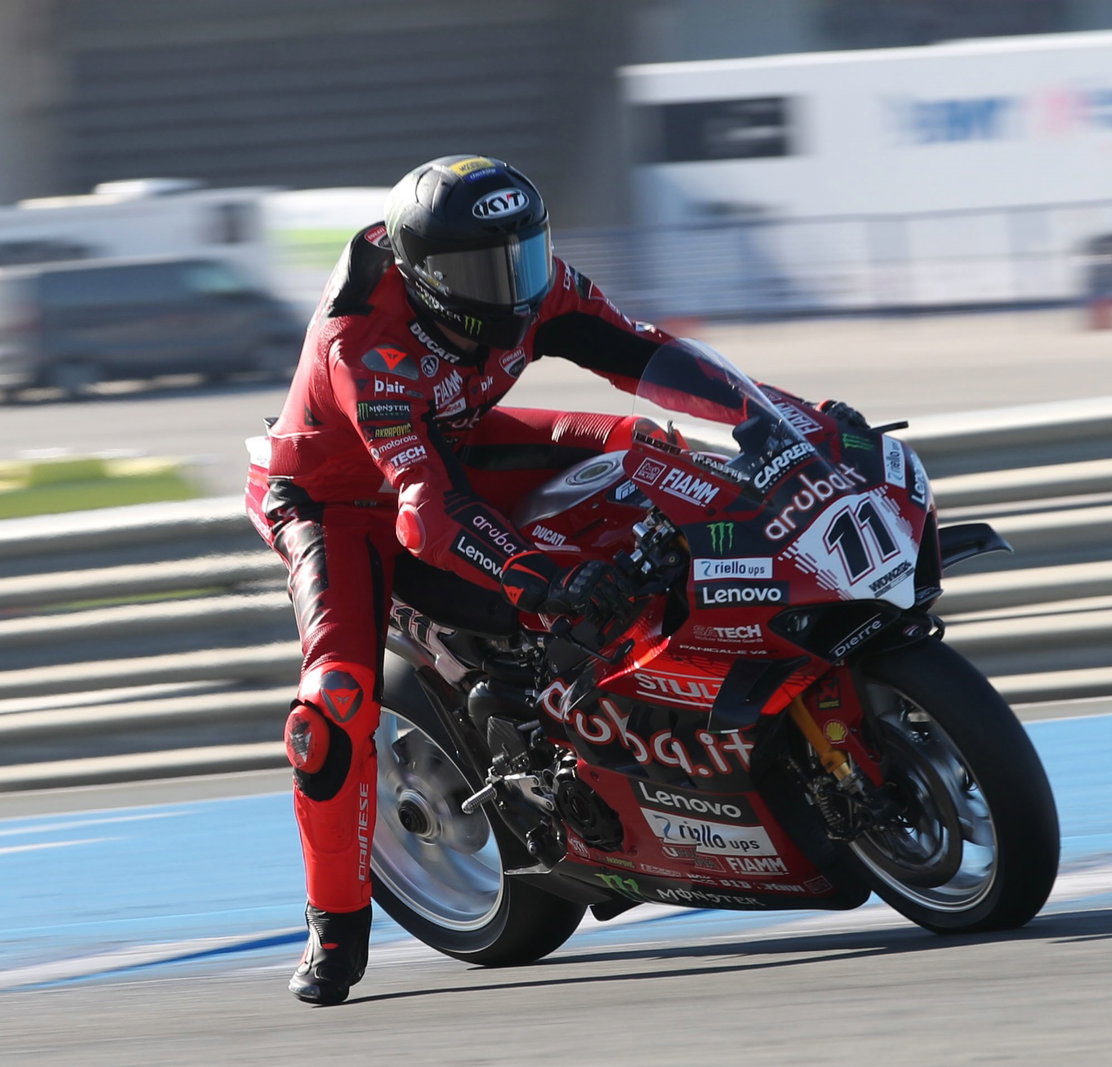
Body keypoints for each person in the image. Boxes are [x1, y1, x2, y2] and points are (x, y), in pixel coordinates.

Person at [246, 154, 867, 1006]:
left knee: (645, 445)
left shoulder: (537, 288)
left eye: (523, 258)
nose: (510, 288)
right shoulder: (369, 342)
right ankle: (334, 923)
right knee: (334, 705)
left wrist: (779, 420)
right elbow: (427, 511)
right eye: (479, 271)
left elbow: (645, 356)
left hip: (456, 437)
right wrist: (532, 575)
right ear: (423, 276)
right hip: (340, 499)